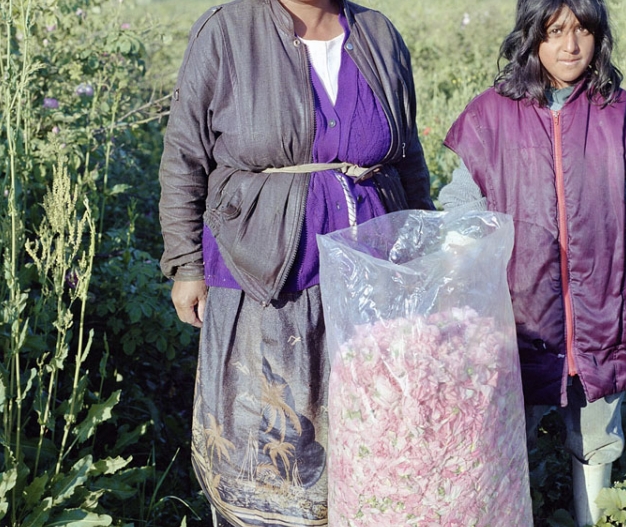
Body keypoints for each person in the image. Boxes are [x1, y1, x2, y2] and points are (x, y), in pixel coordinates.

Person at [158, 0, 433, 525]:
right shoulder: (226, 31)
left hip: (369, 273)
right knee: (263, 431)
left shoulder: (377, 32)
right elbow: (185, 154)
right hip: (259, 272)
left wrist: (421, 247)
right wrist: (187, 262)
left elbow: (408, 153)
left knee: (364, 423)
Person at [438, 0, 626, 525]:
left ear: (599, 36)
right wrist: (451, 303)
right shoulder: (490, 116)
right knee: (503, 435)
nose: (571, 46)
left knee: (596, 436)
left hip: (604, 312)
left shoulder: (621, 114)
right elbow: (460, 215)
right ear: (531, 37)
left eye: (583, 30)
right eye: (555, 31)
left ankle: (591, 518)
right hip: (516, 317)